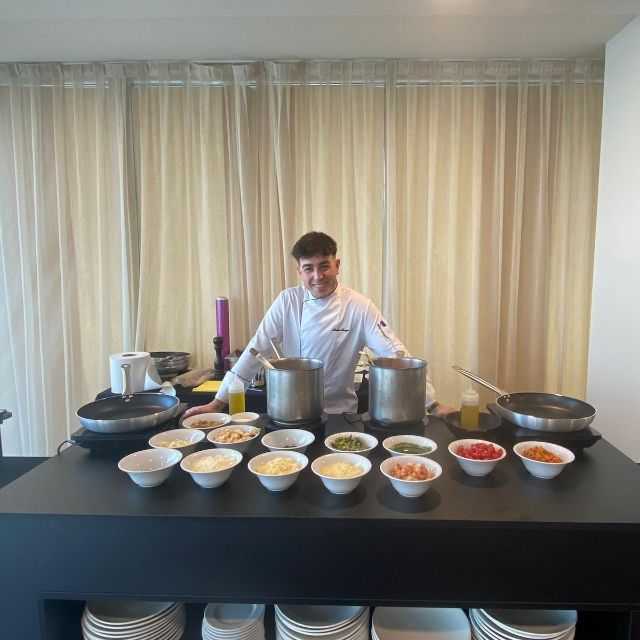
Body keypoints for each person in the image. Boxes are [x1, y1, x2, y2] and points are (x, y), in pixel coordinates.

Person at [183, 232, 450, 418]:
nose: (317, 276)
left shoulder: (359, 306)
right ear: (299, 271)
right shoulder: (287, 301)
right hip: (288, 412)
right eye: (308, 268)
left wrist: (432, 404)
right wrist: (217, 403)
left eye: (324, 266)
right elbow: (256, 350)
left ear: (337, 265)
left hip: (338, 415)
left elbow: (395, 354)